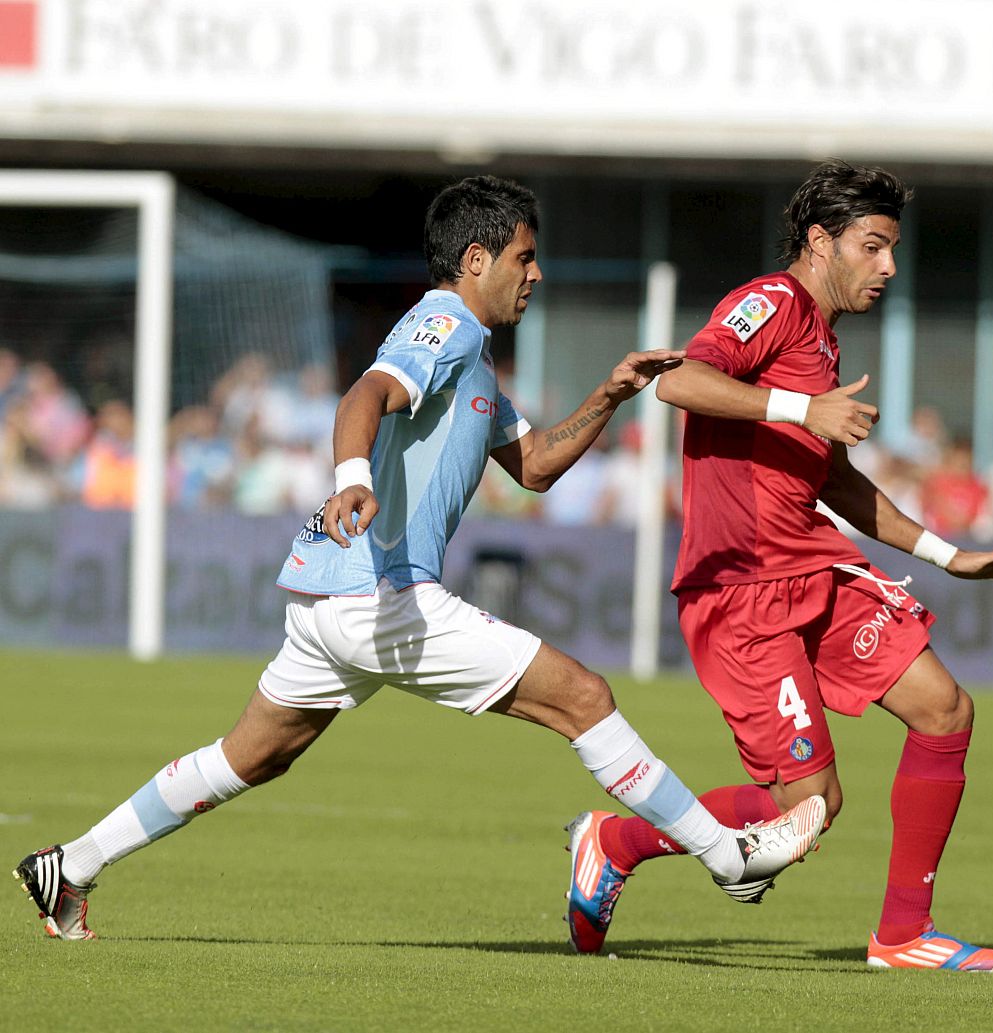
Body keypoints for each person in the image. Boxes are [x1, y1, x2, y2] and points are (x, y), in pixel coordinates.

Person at [12, 175, 823, 943]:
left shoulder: (474, 356)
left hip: (331, 601)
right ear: (477, 262)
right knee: (582, 695)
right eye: (523, 257)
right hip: (382, 592)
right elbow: (363, 394)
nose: (534, 274)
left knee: (251, 755)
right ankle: (728, 856)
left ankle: (70, 865)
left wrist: (610, 394)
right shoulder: (443, 327)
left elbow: (535, 463)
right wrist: (354, 477)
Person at [560, 159, 993, 973]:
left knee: (944, 709)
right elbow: (677, 379)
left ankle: (903, 936)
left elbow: (834, 480)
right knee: (813, 806)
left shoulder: (821, 337)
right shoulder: (775, 303)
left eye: (893, 248)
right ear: (820, 243)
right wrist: (802, 406)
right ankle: (616, 839)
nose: (888, 266)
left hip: (812, 569)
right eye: (873, 246)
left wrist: (948, 554)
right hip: (742, 590)